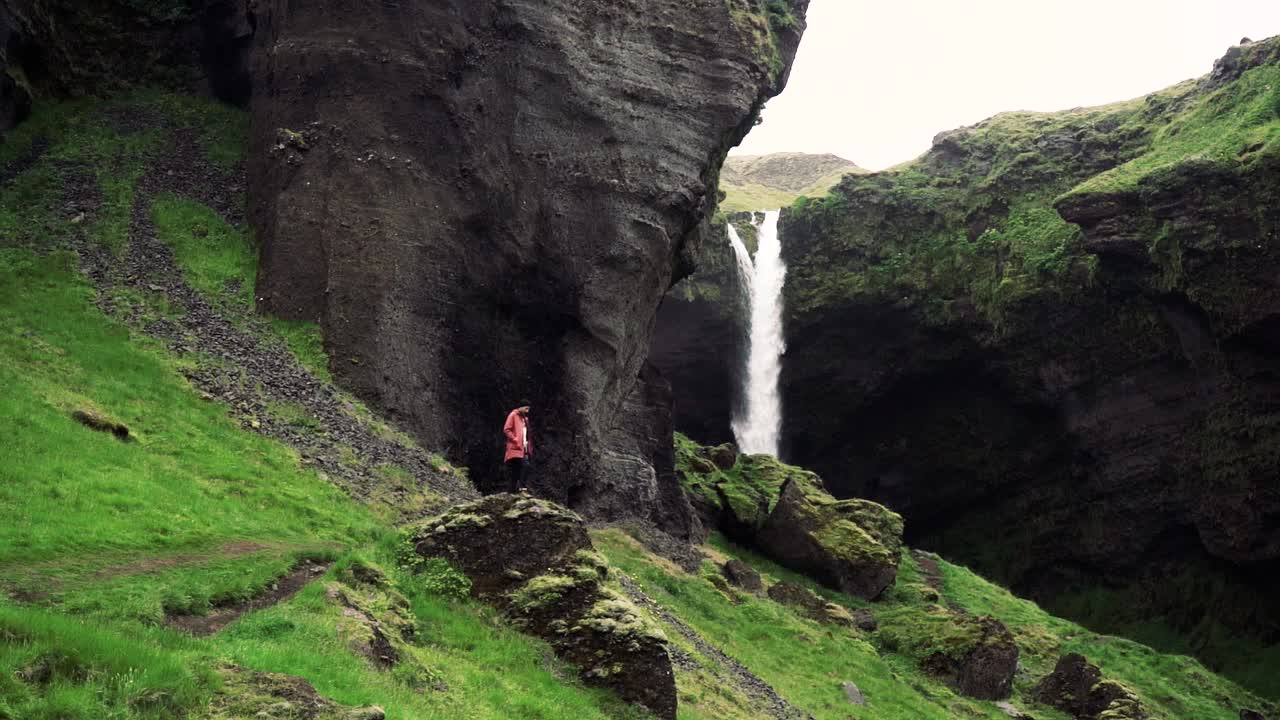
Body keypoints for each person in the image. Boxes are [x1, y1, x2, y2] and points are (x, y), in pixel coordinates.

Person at [502, 401, 532, 493]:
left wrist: (527, 446)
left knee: (515, 473)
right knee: (525, 466)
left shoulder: (525, 419)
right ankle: (522, 488)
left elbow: (527, 434)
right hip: (514, 449)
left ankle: (512, 493)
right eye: (526, 408)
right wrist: (515, 439)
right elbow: (507, 429)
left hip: (522, 449)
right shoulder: (513, 415)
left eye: (528, 409)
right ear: (521, 407)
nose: (527, 411)